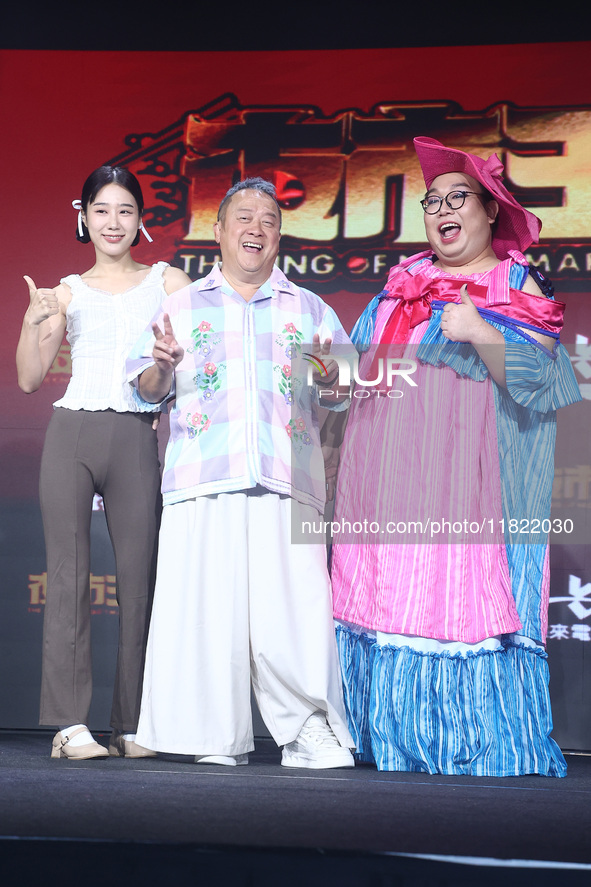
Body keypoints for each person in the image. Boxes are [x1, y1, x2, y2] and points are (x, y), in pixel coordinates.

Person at [330, 137, 581, 776]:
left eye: (458, 197)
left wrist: (482, 332)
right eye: (432, 200)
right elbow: (353, 374)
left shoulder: (515, 283)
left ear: (490, 210)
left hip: (474, 499)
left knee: (467, 606)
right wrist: (307, 365)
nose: (443, 209)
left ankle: (477, 746)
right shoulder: (404, 286)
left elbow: (549, 385)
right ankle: (385, 739)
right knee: (391, 606)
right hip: (391, 494)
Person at [126, 177, 355, 768]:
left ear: (279, 237)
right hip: (203, 481)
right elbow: (147, 389)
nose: (256, 229)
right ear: (220, 231)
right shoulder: (180, 306)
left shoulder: (309, 307)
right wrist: (161, 368)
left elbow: (345, 386)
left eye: (269, 221)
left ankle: (309, 732)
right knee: (204, 614)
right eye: (243, 219)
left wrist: (331, 379)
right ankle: (210, 739)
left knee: (296, 615)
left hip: (287, 480)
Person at [16, 165, 191, 760]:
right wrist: (33, 320)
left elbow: (179, 371)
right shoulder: (65, 291)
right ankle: (69, 725)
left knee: (140, 580)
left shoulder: (168, 282)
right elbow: (29, 377)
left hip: (135, 435)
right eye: (101, 210)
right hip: (71, 434)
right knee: (67, 580)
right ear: (83, 217)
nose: (112, 222)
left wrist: (166, 366)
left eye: (124, 210)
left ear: (140, 220)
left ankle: (134, 723)